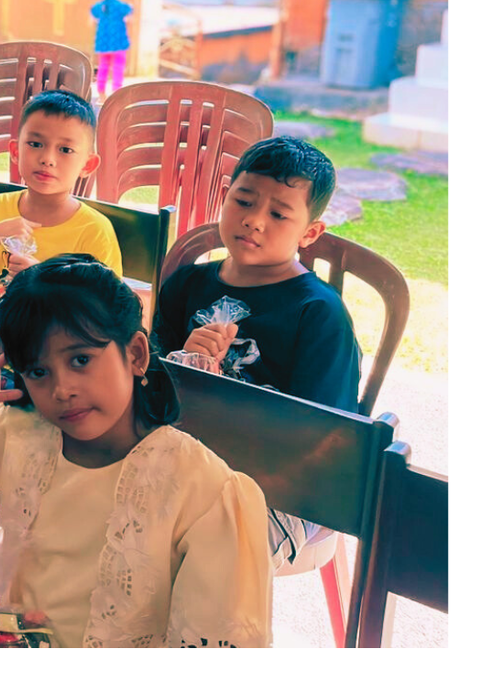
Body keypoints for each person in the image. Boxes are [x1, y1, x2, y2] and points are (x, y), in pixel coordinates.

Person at [0, 254, 273, 648]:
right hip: (10, 634)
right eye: (39, 371)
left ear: (136, 354)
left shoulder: (203, 487)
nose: (62, 390)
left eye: (80, 360)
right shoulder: (21, 430)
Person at [154, 136, 359, 569]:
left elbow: (325, 437)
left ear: (310, 233)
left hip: (282, 490)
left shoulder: (318, 314)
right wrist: (181, 362)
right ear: (224, 197)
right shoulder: (186, 285)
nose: (253, 220)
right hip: (183, 460)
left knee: (195, 557)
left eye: (278, 214)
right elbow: (146, 388)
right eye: (243, 201)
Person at [0, 88, 121, 327]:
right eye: (35, 144)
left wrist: (41, 281)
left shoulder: (94, 230)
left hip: (38, 343)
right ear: (15, 151)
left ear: (87, 164)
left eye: (65, 150)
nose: (47, 159)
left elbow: (104, 314)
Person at [90, 0, 132, 99]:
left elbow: (92, 20)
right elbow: (129, 18)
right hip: (119, 41)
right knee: (118, 67)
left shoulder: (99, 6)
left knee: (103, 66)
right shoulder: (122, 6)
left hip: (103, 41)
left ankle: (101, 93)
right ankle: (116, 93)